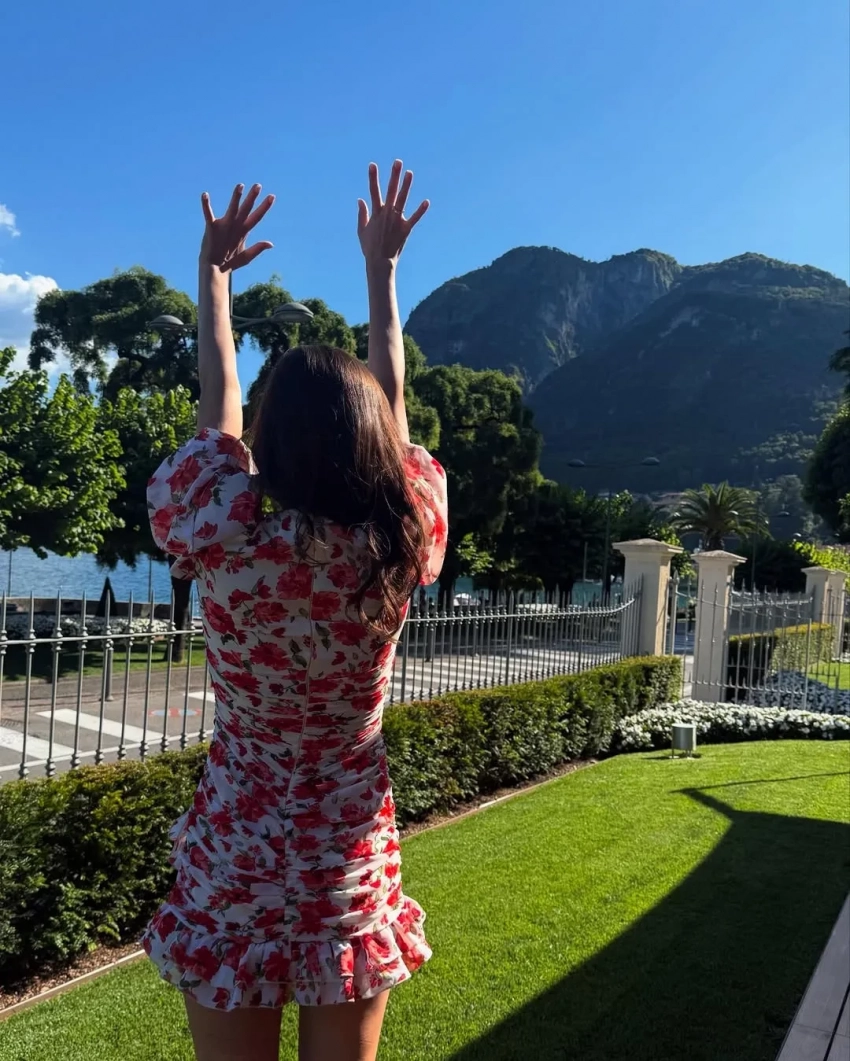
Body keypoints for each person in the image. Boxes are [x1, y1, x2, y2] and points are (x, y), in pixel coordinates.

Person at [142, 161, 448, 1061]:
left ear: (266, 441)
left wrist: (213, 281)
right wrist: (382, 276)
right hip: (349, 853)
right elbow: (394, 410)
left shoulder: (225, 533)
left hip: (236, 847)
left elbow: (216, 422)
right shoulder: (397, 541)